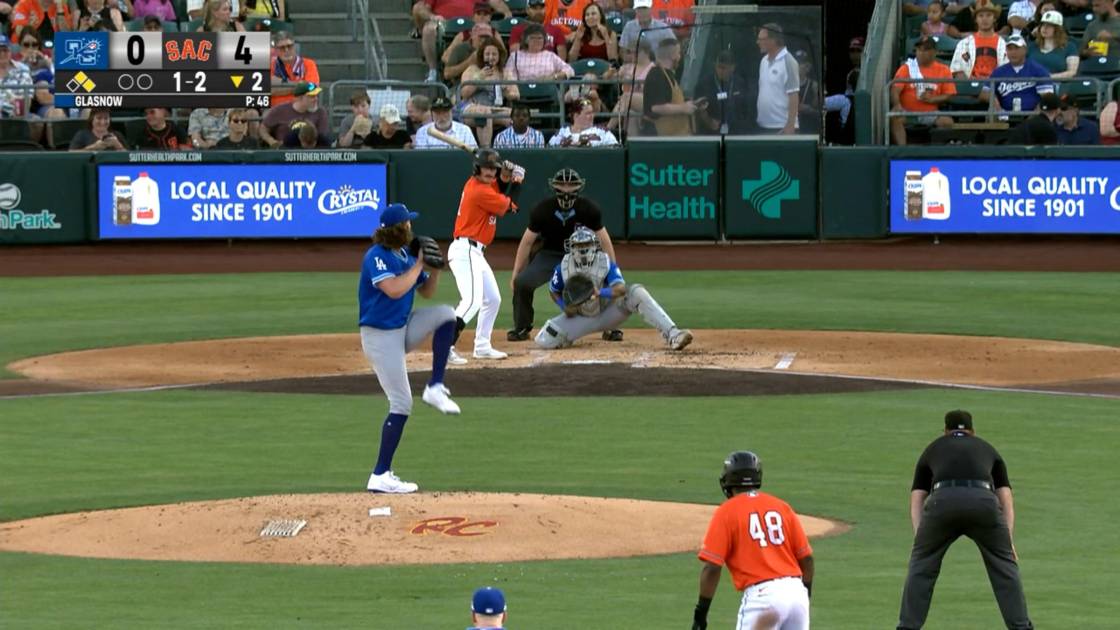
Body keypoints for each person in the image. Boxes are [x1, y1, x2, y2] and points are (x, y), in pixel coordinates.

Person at [897, 410, 1033, 630]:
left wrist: (920, 540)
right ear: (973, 431)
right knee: (1004, 568)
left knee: (921, 566)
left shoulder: (933, 448)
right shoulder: (988, 448)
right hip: (984, 503)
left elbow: (917, 498)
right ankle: (1021, 627)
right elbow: (1006, 497)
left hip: (942, 503)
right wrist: (1008, 541)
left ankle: (907, 627)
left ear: (945, 431)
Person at [360, 203, 460, 495]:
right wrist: (418, 266)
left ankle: (435, 387)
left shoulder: (404, 254)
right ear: (397, 228)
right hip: (380, 337)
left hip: (401, 329)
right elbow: (393, 289)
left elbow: (426, 291)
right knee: (401, 403)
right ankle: (380, 475)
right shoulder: (376, 256)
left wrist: (434, 270)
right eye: (407, 224)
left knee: (446, 315)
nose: (411, 228)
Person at [693, 451, 814, 630]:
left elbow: (712, 568)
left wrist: (701, 613)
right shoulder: (781, 506)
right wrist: (803, 595)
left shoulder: (727, 511)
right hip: (796, 593)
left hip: (763, 598)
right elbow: (807, 560)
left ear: (728, 480)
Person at [535, 226, 693, 351]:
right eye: (578, 245)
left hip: (608, 313)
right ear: (571, 247)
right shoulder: (563, 267)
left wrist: (600, 292)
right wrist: (564, 306)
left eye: (586, 244)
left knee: (636, 292)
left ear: (594, 245)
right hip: (580, 317)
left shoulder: (604, 262)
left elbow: (620, 289)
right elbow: (553, 290)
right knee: (544, 340)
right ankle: (568, 338)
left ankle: (673, 334)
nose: (582, 249)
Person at [507, 167, 618, 342]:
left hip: (582, 255)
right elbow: (527, 242)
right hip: (550, 254)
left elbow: (604, 240)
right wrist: (516, 272)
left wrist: (612, 268)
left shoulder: (589, 209)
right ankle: (522, 327)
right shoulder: (542, 209)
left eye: (571, 185)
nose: (566, 189)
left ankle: (611, 327)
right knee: (522, 283)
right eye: (562, 185)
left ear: (579, 186)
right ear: (554, 186)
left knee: (607, 281)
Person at [447, 148, 523, 363]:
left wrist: (505, 176)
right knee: (472, 301)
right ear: (477, 168)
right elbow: (511, 206)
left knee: (493, 299)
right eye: (486, 168)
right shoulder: (479, 191)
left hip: (475, 252)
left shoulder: (482, 185)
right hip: (466, 251)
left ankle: (481, 346)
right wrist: (517, 180)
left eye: (493, 168)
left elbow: (498, 190)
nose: (490, 172)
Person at [414, 0, 511, 83]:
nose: (482, 40)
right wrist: (433, 17)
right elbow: (445, 59)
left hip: (476, 25)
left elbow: (503, 55)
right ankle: (433, 70)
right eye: (479, 14)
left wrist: (507, 13)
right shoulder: (462, 38)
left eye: (485, 15)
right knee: (428, 29)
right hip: (444, 24)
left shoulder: (493, 33)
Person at [890, 37, 956, 146]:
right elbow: (895, 89)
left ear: (934, 52)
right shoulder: (907, 68)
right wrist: (897, 104)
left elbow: (949, 94)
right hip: (907, 111)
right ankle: (902, 151)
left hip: (930, 112)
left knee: (947, 122)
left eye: (926, 49)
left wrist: (933, 99)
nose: (921, 52)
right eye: (919, 49)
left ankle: (936, 152)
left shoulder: (943, 70)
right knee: (894, 118)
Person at [456, 36, 519, 147]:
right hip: (471, 108)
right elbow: (464, 94)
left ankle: (512, 148)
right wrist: (478, 78)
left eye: (494, 54)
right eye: (487, 54)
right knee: (484, 113)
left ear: (499, 56)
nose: (491, 57)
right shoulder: (472, 69)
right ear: (482, 55)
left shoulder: (505, 72)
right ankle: (486, 150)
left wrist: (507, 91)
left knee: (515, 115)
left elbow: (516, 95)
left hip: (495, 109)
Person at [642, 38, 698, 136]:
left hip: (677, 134)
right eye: (679, 53)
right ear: (672, 55)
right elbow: (657, 107)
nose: (680, 57)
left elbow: (672, 101)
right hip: (661, 136)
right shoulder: (657, 75)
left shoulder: (668, 75)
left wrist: (692, 104)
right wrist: (683, 108)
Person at [988, 35, 1054, 114]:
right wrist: (997, 107)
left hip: (1033, 115)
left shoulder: (1038, 70)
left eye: (1017, 48)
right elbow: (985, 91)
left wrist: (1035, 114)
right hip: (1004, 115)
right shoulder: (999, 72)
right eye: (1010, 49)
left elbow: (1048, 96)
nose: (1013, 52)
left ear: (1025, 50)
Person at [756, 23, 799, 134]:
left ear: (773, 40)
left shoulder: (789, 61)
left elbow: (794, 95)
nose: (758, 42)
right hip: (763, 125)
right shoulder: (763, 61)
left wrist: (790, 125)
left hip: (782, 126)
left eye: (761, 39)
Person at [259, 81, 329, 148]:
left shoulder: (320, 112)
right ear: (300, 98)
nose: (316, 99)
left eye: (316, 96)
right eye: (312, 96)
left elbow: (322, 136)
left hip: (311, 151)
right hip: (284, 151)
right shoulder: (280, 110)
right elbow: (263, 128)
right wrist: (272, 141)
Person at [695, 50, 750, 135]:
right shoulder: (704, 84)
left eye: (724, 68)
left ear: (732, 68)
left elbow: (745, 109)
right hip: (711, 131)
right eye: (718, 67)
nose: (720, 71)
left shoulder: (739, 83)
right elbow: (698, 108)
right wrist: (708, 121)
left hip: (736, 131)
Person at [950, 0, 1008, 79]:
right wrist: (970, 81)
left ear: (994, 18)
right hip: (971, 84)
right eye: (981, 16)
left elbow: (1007, 72)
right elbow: (957, 71)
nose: (984, 19)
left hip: (995, 84)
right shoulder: (964, 43)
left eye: (988, 15)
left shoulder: (1003, 44)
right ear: (976, 19)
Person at [505, 22, 574, 81]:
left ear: (544, 40)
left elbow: (569, 70)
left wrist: (554, 77)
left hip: (547, 88)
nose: (536, 41)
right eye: (532, 38)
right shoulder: (515, 56)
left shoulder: (550, 56)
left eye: (540, 38)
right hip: (522, 89)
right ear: (526, 40)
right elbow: (508, 75)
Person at [270, 31, 320, 107]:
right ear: (276, 50)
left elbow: (312, 88)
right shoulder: (270, 66)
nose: (286, 50)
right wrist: (299, 85)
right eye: (282, 48)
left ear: (294, 47)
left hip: (301, 109)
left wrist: (282, 84)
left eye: (289, 46)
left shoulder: (308, 64)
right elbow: (268, 91)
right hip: (275, 109)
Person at [1028, 10, 1079, 78]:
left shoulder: (1069, 47)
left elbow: (1072, 72)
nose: (1045, 28)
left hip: (1057, 82)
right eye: (1043, 25)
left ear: (1058, 29)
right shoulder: (1031, 46)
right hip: (1031, 81)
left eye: (1049, 25)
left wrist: (1048, 77)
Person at [413, 95, 479, 149]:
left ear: (451, 112)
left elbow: (473, 154)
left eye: (445, 112)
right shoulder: (423, 132)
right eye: (438, 113)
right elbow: (422, 157)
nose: (442, 117)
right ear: (432, 114)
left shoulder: (464, 130)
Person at [549, 96, 618, 146]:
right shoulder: (563, 132)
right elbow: (550, 148)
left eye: (592, 113)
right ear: (576, 116)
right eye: (588, 113)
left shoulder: (601, 131)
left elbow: (615, 148)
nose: (592, 116)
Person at [568, 2, 618, 68]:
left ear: (601, 16)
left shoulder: (611, 34)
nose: (590, 17)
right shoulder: (580, 33)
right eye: (587, 15)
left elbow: (613, 60)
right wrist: (578, 39)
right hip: (584, 70)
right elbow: (571, 60)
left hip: (604, 70)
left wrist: (606, 37)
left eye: (593, 14)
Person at [8, 0, 74, 39]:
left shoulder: (61, 6)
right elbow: (18, 33)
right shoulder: (24, 3)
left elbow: (67, 36)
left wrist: (60, 11)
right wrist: (30, 25)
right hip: (27, 46)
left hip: (55, 47)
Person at [0, 34, 30, 118]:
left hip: (15, 116)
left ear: (10, 52)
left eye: (5, 50)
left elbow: (26, 101)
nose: (2, 54)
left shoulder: (22, 69)